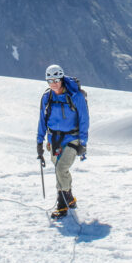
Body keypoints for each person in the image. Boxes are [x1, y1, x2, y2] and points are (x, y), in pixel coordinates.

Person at [36, 64, 89, 219]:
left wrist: (83, 143)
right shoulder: (47, 97)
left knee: (60, 169)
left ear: (61, 79)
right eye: (49, 80)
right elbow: (42, 121)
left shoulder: (75, 96)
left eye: (56, 79)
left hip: (72, 139)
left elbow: (84, 120)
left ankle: (62, 205)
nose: (53, 83)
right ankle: (70, 198)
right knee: (60, 170)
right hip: (54, 140)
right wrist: (39, 143)